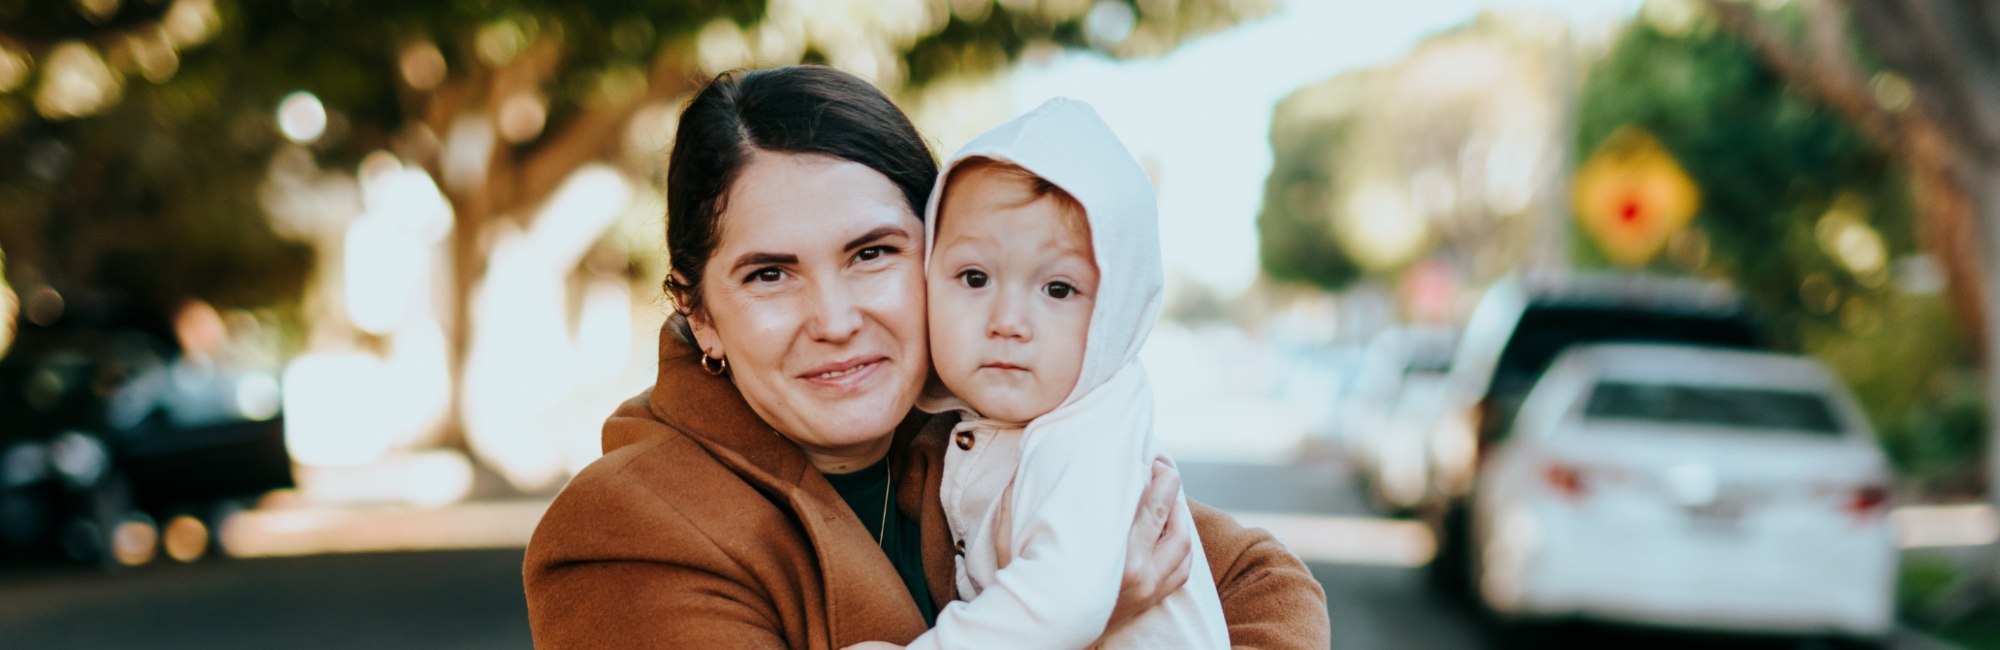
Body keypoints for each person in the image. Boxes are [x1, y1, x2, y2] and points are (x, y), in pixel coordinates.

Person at [521, 65, 1330, 649]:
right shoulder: (624, 529)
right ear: (701, 317)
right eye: (770, 274)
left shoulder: (983, 427)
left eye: (873, 254)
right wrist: (1094, 623)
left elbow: (1266, 582)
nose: (835, 320)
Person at [864, 99, 1226, 650]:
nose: (1008, 322)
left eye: (1058, 289)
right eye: (975, 276)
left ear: (1117, 311)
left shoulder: (1091, 429)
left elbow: (1066, 599)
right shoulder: (959, 420)